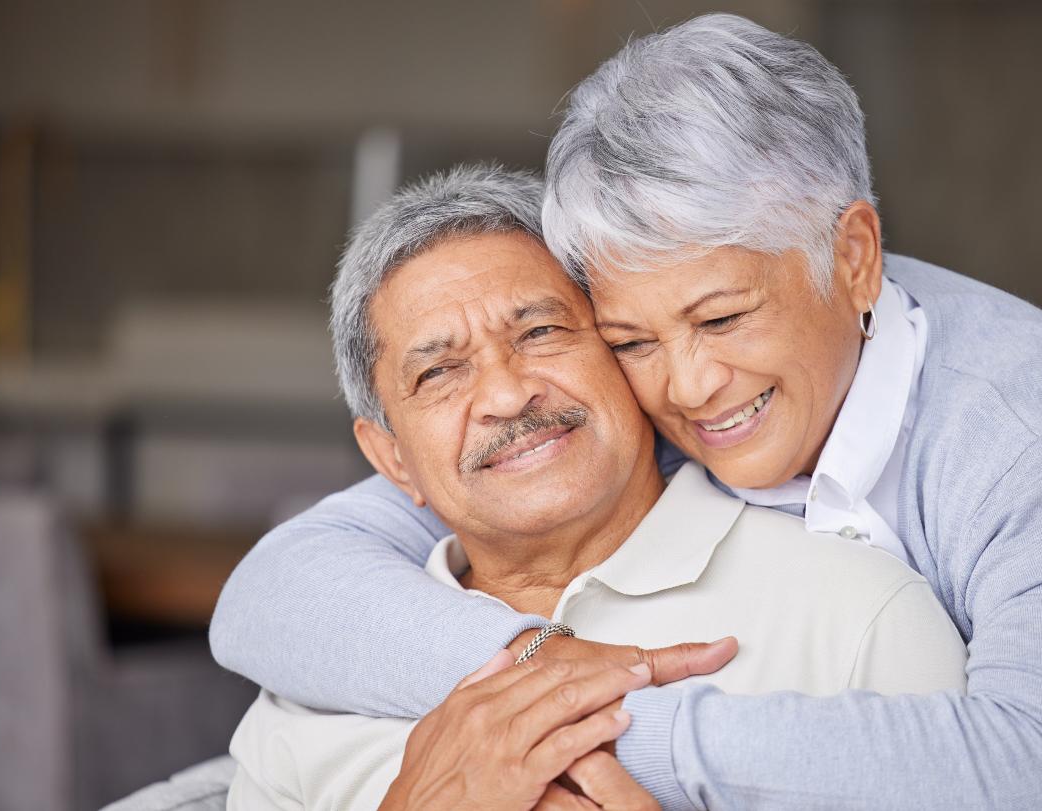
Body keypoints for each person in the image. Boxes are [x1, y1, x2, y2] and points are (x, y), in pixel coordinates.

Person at [211, 14, 1042, 810]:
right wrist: (540, 664)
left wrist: (598, 725)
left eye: (720, 317)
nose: (686, 385)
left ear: (851, 258)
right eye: (629, 337)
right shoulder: (624, 419)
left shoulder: (1034, 430)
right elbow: (279, 587)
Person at [225, 164, 971, 810]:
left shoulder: (859, 616)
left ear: (625, 348)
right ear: (391, 458)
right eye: (439, 371)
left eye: (541, 331)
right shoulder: (309, 690)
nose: (509, 394)